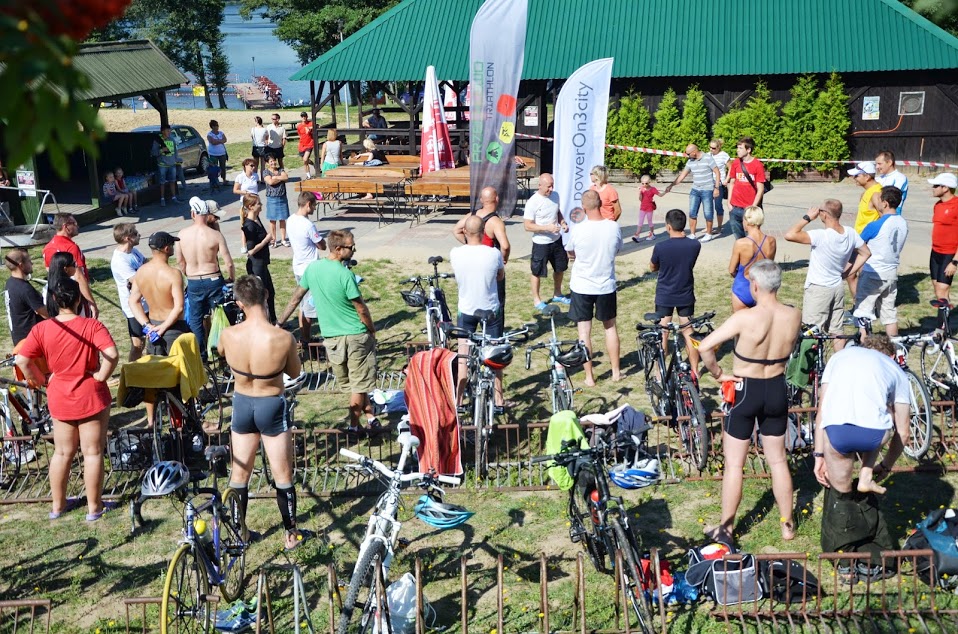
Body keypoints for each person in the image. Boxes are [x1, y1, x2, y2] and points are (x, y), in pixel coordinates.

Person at [698, 260, 801, 545]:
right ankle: (787, 525)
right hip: (776, 388)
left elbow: (705, 346)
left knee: (734, 465)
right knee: (778, 460)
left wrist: (718, 373)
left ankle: (726, 528)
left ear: (755, 286)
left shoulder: (744, 318)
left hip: (745, 389)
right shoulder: (794, 314)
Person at [16, 278, 119, 521]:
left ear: (53, 299)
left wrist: (41, 380)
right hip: (90, 394)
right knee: (92, 452)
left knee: (62, 453)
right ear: (78, 299)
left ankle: (58, 506)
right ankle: (94, 508)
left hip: (60, 394)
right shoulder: (92, 326)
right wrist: (101, 376)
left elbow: (22, 360)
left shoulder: (41, 329)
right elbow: (112, 354)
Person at [218, 275, 306, 551]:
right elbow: (295, 372)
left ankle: (239, 534)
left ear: (239, 303)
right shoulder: (283, 338)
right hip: (271, 404)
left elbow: (220, 352)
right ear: (266, 295)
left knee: (239, 474)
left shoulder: (228, 334)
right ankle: (291, 534)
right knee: (283, 475)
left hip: (242, 403)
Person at [278, 230, 379, 437]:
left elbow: (295, 299)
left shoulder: (313, 269)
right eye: (351, 247)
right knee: (359, 384)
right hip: (356, 335)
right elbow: (361, 308)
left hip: (332, 339)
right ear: (338, 249)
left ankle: (371, 416)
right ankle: (354, 427)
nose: (354, 249)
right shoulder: (345, 274)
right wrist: (371, 329)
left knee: (354, 384)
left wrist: (279, 323)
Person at [814, 335, 911, 496]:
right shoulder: (895, 369)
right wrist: (886, 465)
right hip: (874, 434)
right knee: (884, 410)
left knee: (840, 491)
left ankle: (843, 504)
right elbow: (904, 432)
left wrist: (819, 455)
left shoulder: (838, 357)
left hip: (836, 430)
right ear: (892, 356)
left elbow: (822, 412)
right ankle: (866, 476)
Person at [784, 200, 871, 351]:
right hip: (837, 287)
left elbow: (790, 235)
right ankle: (840, 360)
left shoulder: (821, 236)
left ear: (824, 214)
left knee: (811, 331)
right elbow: (866, 253)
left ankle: (811, 363)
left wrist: (807, 217)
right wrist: (848, 272)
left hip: (818, 289)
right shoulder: (850, 233)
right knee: (837, 330)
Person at [566, 190, 622, 386]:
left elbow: (570, 251)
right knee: (610, 328)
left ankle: (589, 377)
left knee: (584, 332)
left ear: (583, 208)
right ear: (600, 204)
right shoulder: (613, 227)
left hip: (582, 285)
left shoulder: (578, 229)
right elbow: (617, 248)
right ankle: (616, 372)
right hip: (605, 284)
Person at [450, 214, 506, 405]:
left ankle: (458, 400)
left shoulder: (455, 253)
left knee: (463, 358)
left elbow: (456, 229)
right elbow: (500, 276)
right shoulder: (493, 254)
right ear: (484, 232)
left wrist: (471, 214)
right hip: (490, 311)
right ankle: (498, 398)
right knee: (495, 356)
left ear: (465, 231)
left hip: (466, 311)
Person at [177, 198, 234, 357]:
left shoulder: (182, 235)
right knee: (221, 314)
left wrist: (189, 274)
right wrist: (231, 278)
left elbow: (180, 262)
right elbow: (228, 262)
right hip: (213, 278)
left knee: (196, 319)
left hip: (194, 280)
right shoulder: (215, 235)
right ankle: (225, 351)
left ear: (192, 214)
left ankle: (201, 355)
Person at [650, 209, 703, 373]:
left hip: (665, 294)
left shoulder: (660, 247)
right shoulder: (695, 245)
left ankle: (660, 372)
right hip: (685, 293)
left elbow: (653, 267)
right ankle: (695, 370)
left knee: (663, 332)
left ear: (668, 226)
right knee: (688, 331)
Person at [453, 186, 511, 334]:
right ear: (497, 199)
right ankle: (496, 333)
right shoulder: (495, 221)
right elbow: (505, 245)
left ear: (481, 200)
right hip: (490, 263)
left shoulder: (472, 216)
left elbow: (456, 230)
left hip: (471, 262)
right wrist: (503, 259)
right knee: (497, 301)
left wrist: (468, 244)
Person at [852, 187, 908, 338]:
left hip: (873, 272)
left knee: (863, 310)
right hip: (891, 272)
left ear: (885, 203)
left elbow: (857, 244)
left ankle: (863, 342)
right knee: (889, 313)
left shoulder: (875, 225)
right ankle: (894, 345)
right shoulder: (903, 223)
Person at [130, 231, 187, 358]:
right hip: (173, 328)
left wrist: (147, 325)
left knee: (159, 368)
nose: (173, 247)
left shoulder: (141, 271)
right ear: (166, 249)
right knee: (180, 367)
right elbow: (179, 307)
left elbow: (133, 302)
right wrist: (163, 327)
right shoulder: (174, 274)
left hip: (153, 328)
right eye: (172, 245)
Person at [523, 174, 569, 310]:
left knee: (560, 268)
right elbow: (527, 226)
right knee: (537, 272)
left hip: (556, 240)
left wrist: (562, 222)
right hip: (541, 243)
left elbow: (557, 211)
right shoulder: (533, 202)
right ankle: (537, 300)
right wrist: (546, 228)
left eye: (552, 186)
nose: (551, 189)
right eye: (548, 186)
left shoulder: (555, 196)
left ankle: (557, 294)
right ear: (540, 186)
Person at [286, 192, 327, 341]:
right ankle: (307, 340)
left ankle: (304, 338)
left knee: (302, 304)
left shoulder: (290, 220)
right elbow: (322, 245)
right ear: (308, 204)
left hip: (298, 266)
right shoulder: (308, 225)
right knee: (310, 307)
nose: (315, 208)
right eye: (314, 205)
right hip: (309, 269)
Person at [43, 214, 98, 318]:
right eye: (74, 223)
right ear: (65, 226)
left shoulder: (47, 248)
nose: (77, 226)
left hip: (57, 297)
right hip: (75, 297)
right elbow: (79, 277)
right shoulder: (71, 248)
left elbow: (49, 270)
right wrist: (91, 302)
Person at [664, 144, 720, 241]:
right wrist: (671, 185)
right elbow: (682, 175)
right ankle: (693, 234)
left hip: (707, 189)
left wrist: (716, 188)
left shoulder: (707, 158)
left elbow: (717, 172)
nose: (687, 156)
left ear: (694, 152)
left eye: (688, 154)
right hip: (695, 190)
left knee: (708, 213)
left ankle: (709, 234)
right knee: (692, 213)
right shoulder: (690, 161)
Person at [110, 223, 148, 362]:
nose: (139, 235)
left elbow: (146, 263)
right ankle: (131, 370)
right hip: (134, 308)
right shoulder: (120, 260)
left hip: (146, 303)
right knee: (138, 344)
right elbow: (137, 280)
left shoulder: (133, 251)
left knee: (150, 340)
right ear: (128, 238)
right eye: (135, 233)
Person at [728, 206, 776, 311]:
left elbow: (731, 270)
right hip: (763, 287)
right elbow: (770, 265)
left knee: (740, 320)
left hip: (743, 286)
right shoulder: (771, 241)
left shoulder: (741, 243)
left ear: (747, 221)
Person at [241, 194, 277, 323]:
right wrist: (266, 240)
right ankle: (263, 322)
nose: (261, 205)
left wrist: (267, 241)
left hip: (262, 263)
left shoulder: (257, 219)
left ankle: (273, 320)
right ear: (251, 206)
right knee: (261, 296)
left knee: (270, 292)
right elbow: (250, 250)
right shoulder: (249, 225)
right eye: (259, 203)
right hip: (256, 265)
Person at [3, 248, 47, 347]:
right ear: (21, 265)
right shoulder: (25, 289)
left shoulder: (10, 283)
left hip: (19, 338)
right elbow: (45, 313)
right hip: (31, 340)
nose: (32, 263)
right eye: (29, 261)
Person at [725, 137, 766, 239]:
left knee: (752, 239)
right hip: (735, 207)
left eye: (740, 148)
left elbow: (760, 189)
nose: (737, 150)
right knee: (739, 240)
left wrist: (753, 208)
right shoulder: (736, 162)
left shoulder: (758, 165)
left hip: (750, 208)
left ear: (748, 150)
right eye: (737, 148)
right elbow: (732, 182)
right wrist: (729, 202)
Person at [928, 173, 958, 307]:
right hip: (935, 253)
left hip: (949, 254)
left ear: (945, 188)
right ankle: (945, 316)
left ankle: (943, 320)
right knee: (938, 290)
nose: (933, 188)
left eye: (936, 186)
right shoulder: (938, 205)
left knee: (942, 290)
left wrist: (955, 262)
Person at [263, 155, 290, 247]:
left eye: (274, 160)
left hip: (282, 197)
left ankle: (283, 239)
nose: (273, 163)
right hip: (272, 198)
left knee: (282, 219)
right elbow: (270, 182)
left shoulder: (280, 169)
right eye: (271, 161)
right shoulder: (265, 172)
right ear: (267, 163)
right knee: (273, 220)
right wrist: (279, 178)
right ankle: (274, 240)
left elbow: (286, 177)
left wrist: (275, 177)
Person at [850, 161, 883, 234]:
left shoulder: (877, 193)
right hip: (860, 237)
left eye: (856, 176)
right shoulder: (866, 192)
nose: (854, 178)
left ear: (867, 177)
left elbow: (884, 218)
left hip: (868, 239)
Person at [151, 125, 180, 207]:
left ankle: (174, 197)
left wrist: (176, 160)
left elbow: (175, 151)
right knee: (162, 182)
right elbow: (153, 153)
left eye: (170, 131)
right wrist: (161, 150)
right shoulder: (158, 141)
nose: (169, 132)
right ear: (163, 131)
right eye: (167, 131)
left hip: (172, 164)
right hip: (162, 165)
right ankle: (162, 198)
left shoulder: (172, 140)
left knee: (173, 180)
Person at [875, 150, 908, 215]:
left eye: (879, 164)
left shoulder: (900, 178)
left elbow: (891, 197)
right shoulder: (878, 178)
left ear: (890, 162)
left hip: (891, 215)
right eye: (876, 164)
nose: (877, 167)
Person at [632, 174, 663, 242]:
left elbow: (660, 195)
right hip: (643, 207)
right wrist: (640, 192)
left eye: (646, 183)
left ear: (649, 182)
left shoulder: (653, 189)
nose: (644, 185)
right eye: (642, 183)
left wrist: (666, 191)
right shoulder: (642, 189)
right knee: (640, 222)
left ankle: (652, 234)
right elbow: (640, 199)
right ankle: (637, 235)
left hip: (649, 208)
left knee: (649, 221)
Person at [709, 139, 730, 234]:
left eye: (713, 148)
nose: (711, 149)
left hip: (719, 183)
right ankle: (709, 226)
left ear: (718, 147)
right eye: (710, 147)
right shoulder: (708, 155)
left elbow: (731, 168)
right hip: (709, 183)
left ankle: (719, 226)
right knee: (708, 206)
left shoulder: (724, 155)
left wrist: (727, 180)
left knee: (718, 206)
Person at [206, 120, 229, 186]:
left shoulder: (221, 133)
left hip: (222, 153)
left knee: (223, 167)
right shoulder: (209, 134)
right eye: (216, 126)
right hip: (213, 154)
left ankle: (224, 179)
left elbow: (225, 140)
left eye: (217, 125)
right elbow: (213, 142)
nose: (217, 127)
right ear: (212, 127)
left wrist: (218, 141)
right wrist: (220, 141)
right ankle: (215, 181)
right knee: (214, 168)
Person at [296, 112, 315, 178]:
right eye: (302, 116)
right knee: (305, 161)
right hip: (302, 144)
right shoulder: (299, 126)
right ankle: (309, 173)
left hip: (309, 144)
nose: (303, 117)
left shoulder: (311, 123)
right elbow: (300, 134)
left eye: (305, 116)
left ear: (307, 117)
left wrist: (310, 128)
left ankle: (309, 175)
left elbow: (317, 126)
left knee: (305, 159)